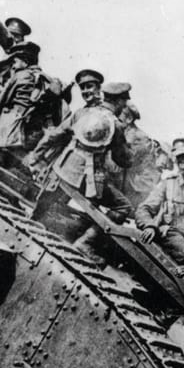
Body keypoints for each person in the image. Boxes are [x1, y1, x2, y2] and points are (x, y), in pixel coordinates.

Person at [26, 70, 133, 249]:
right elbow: (124, 160)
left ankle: (32, 224)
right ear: (119, 101)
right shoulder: (116, 124)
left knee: (48, 198)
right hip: (89, 181)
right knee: (123, 207)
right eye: (124, 101)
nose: (125, 105)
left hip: (63, 170)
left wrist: (36, 156)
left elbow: (54, 135)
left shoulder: (81, 114)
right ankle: (85, 243)